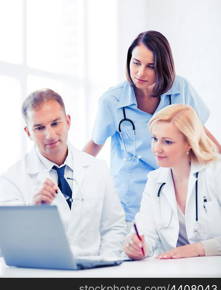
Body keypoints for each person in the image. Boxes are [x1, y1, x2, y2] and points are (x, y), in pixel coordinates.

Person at [83, 30, 221, 229]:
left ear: (163, 67)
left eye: (151, 66)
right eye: (136, 62)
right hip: (131, 200)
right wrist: (69, 176)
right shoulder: (111, 100)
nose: (140, 73)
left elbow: (200, 133)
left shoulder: (181, 89)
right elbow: (95, 144)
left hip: (177, 194)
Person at [0, 88, 126, 258]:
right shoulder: (12, 179)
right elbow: (9, 244)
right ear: (28, 132)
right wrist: (34, 213)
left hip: (94, 272)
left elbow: (114, 227)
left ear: (67, 121)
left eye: (55, 123)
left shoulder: (97, 168)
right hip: (43, 275)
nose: (49, 135)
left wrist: (105, 264)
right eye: (39, 128)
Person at [124, 104, 221, 260]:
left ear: (189, 143)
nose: (157, 148)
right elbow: (146, 233)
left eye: (167, 142)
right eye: (155, 139)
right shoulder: (155, 181)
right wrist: (137, 246)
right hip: (176, 272)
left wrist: (199, 249)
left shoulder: (215, 172)